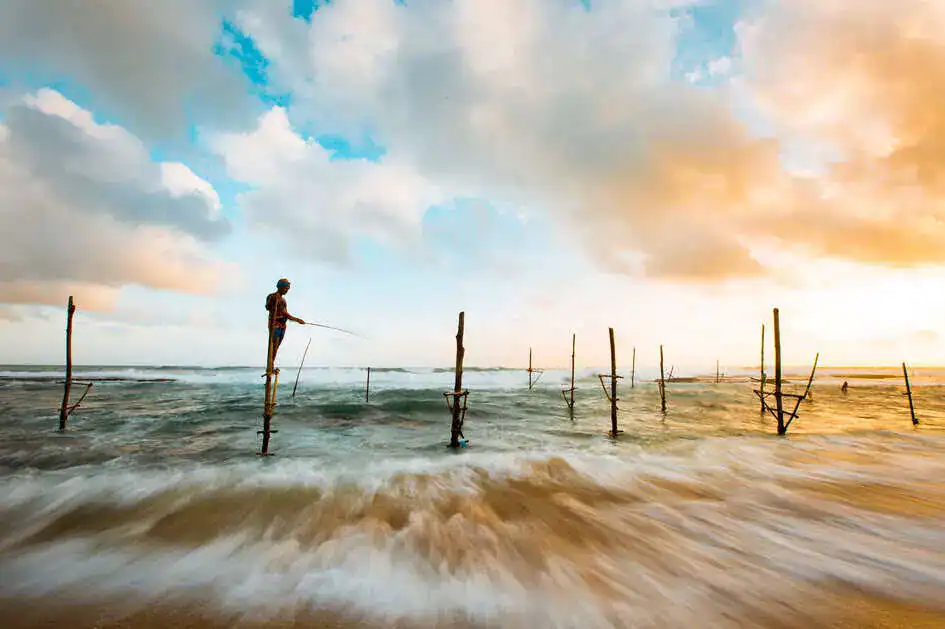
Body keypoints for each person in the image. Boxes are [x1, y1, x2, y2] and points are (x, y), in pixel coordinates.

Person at [265, 278, 305, 371]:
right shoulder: (272, 296)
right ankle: (270, 366)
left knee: (277, 346)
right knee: (273, 346)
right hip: (275, 325)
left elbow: (285, 314)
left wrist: (296, 320)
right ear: (280, 287)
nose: (287, 290)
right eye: (286, 288)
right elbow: (268, 307)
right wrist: (297, 319)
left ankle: (272, 364)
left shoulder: (283, 300)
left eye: (288, 289)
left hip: (283, 326)